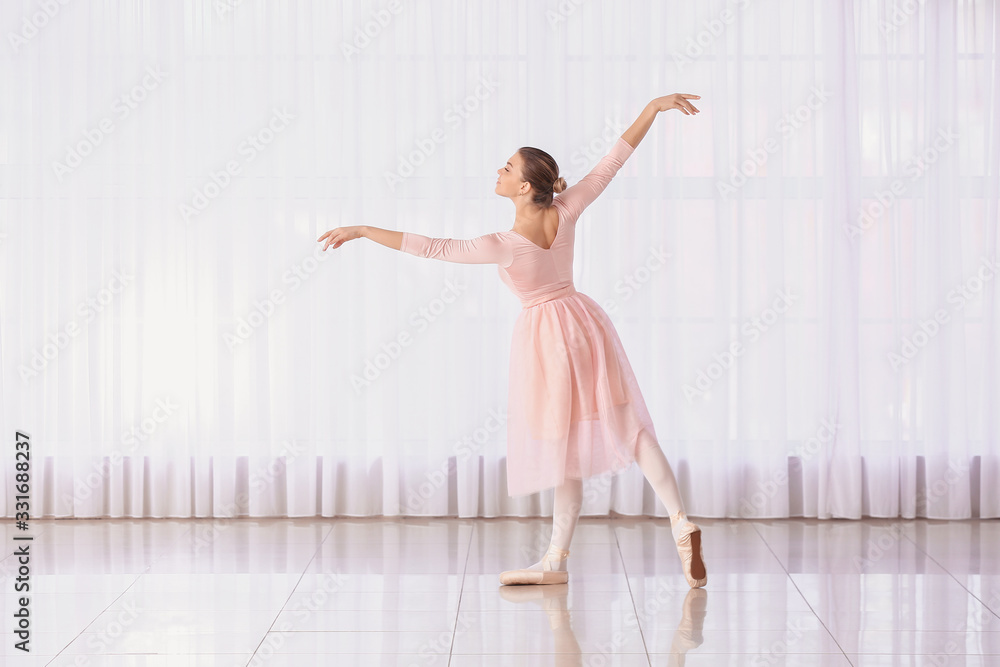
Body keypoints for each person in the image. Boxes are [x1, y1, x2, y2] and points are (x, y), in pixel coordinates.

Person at [318, 94, 706, 589]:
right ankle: (679, 521)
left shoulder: (500, 246)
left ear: (523, 187)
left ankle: (555, 560)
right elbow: (613, 161)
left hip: (546, 341)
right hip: (586, 323)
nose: (497, 171)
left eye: (506, 168)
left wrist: (363, 229)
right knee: (630, 425)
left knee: (561, 445)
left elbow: (434, 248)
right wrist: (652, 108)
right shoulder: (566, 211)